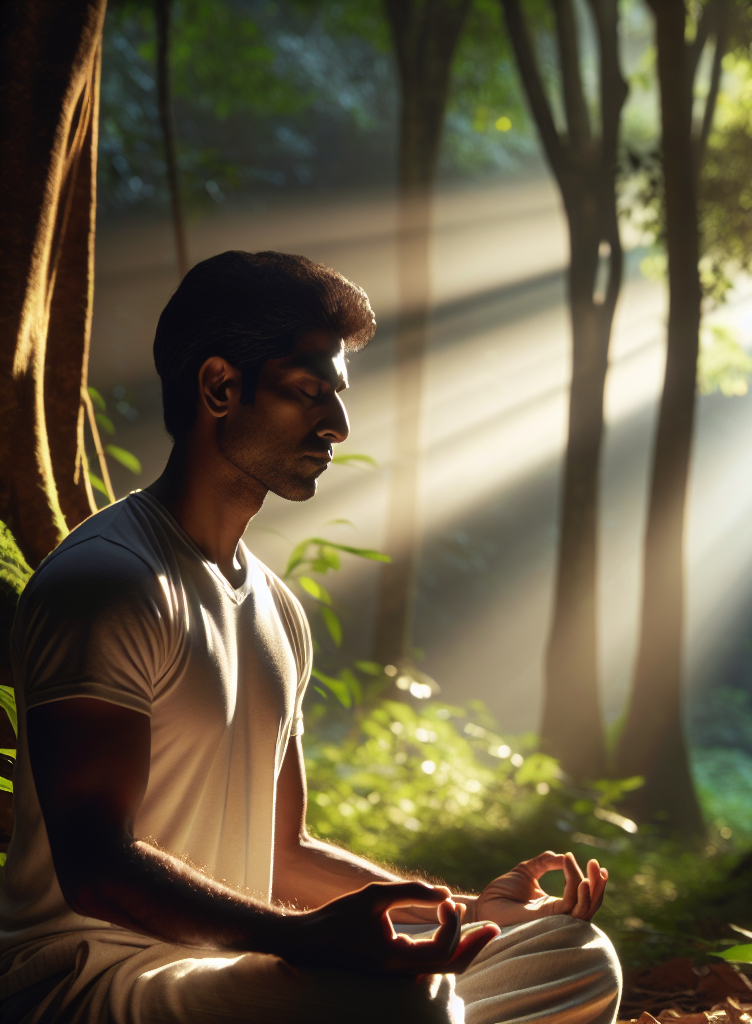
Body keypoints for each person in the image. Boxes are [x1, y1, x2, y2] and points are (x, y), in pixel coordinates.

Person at [0, 251, 622, 1024]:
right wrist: (305, 941)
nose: (338, 424)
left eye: (337, 396)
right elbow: (96, 869)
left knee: (571, 957)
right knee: (400, 997)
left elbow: (284, 852)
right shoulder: (109, 582)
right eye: (309, 392)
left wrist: (467, 910)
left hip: (239, 978)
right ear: (220, 386)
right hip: (92, 990)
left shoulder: (277, 610)